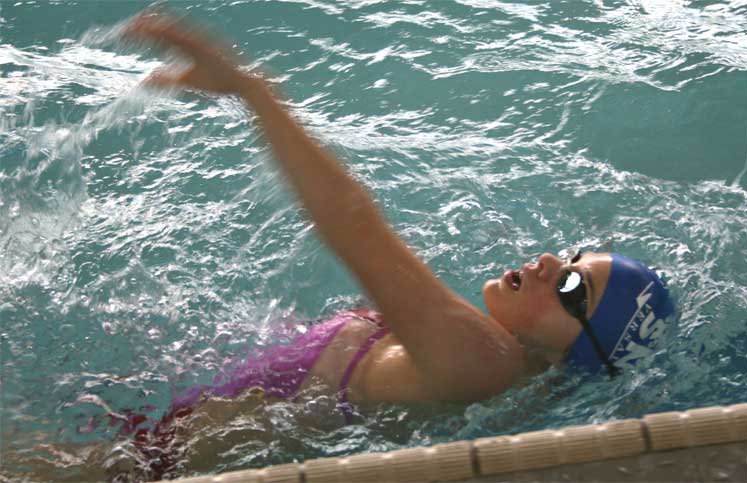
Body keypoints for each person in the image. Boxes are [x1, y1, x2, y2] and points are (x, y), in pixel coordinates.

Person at [5, 12, 675, 482]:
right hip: (165, 431)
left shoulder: (482, 359)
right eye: (571, 256)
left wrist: (256, 93)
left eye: (573, 287)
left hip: (152, 461)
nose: (551, 263)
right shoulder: (478, 358)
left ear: (570, 354)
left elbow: (356, 226)